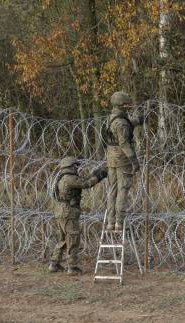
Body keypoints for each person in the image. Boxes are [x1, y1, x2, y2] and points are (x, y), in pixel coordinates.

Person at [49, 157, 107, 275]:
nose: (77, 168)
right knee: (73, 238)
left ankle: (54, 264)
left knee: (63, 238)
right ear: (69, 167)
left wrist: (94, 174)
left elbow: (83, 180)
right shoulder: (69, 178)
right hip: (68, 212)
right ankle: (72, 267)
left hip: (61, 211)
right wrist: (99, 176)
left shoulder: (62, 178)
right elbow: (86, 183)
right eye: (75, 166)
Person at [103, 91, 144, 232]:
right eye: (126, 104)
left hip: (111, 158)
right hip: (122, 159)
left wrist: (137, 121)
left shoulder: (111, 118)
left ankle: (110, 222)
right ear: (121, 105)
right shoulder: (121, 123)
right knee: (123, 190)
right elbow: (124, 143)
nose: (128, 106)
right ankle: (119, 223)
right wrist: (134, 161)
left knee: (112, 190)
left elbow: (124, 124)